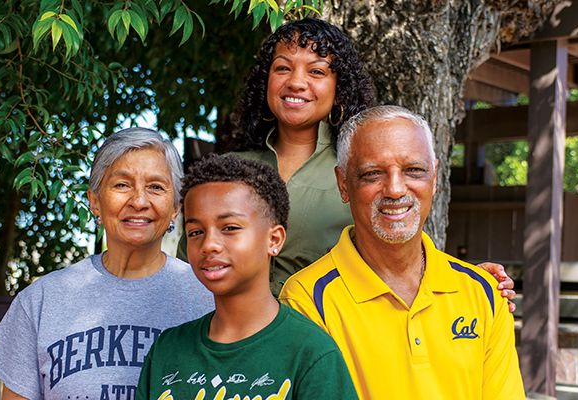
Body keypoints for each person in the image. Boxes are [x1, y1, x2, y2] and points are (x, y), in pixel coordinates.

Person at [176, 18, 516, 303]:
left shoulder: (363, 172)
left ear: (339, 87)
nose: (296, 81)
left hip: (331, 342)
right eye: (282, 68)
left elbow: (403, 251)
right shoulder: (227, 171)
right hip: (230, 341)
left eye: (317, 72)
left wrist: (471, 279)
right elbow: (188, 264)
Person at [280, 106, 525, 399]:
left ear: (435, 177)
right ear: (344, 184)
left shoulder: (482, 294)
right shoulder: (307, 300)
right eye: (372, 174)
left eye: (413, 170)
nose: (395, 189)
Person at [0, 128, 214, 400]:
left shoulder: (208, 299)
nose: (139, 201)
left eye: (156, 187)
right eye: (122, 185)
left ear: (175, 206)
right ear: (95, 201)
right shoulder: (41, 301)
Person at [137, 154, 357, 399]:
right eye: (196, 231)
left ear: (274, 240)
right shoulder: (167, 350)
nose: (209, 244)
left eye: (230, 228)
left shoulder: (311, 353)